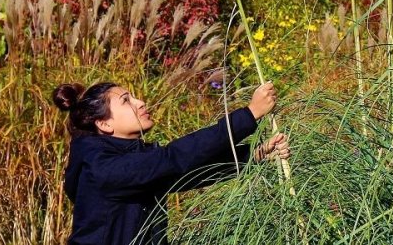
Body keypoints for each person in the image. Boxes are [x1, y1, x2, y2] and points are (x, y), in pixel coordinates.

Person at [53, 79, 289, 245]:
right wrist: (249, 114)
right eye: (127, 101)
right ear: (104, 124)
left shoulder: (127, 159)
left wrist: (256, 155)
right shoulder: (100, 168)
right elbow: (174, 158)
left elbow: (189, 173)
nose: (140, 102)